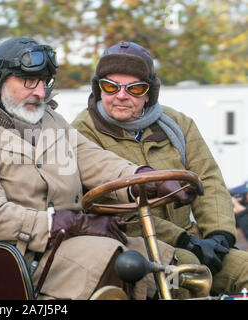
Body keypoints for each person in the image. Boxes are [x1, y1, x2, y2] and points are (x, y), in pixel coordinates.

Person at [0, 37, 200, 300]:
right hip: (16, 259)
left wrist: (145, 178)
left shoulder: (50, 120)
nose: (39, 92)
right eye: (28, 81)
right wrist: (68, 222)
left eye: (44, 82)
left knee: (167, 263)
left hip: (68, 245)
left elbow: (94, 159)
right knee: (115, 260)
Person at [71, 41, 248, 294]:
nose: (121, 95)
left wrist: (219, 237)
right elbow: (111, 208)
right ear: (98, 89)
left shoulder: (177, 123)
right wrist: (185, 242)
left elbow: (207, 179)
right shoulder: (80, 133)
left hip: (194, 238)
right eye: (110, 86)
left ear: (149, 93)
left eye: (135, 88)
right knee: (184, 276)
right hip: (130, 246)